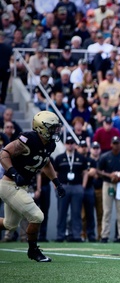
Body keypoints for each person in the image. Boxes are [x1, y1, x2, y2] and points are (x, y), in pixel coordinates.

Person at [0, 112, 65, 262]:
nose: (55, 131)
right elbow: (4, 153)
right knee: (37, 216)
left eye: (56, 128)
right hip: (9, 184)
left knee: (10, 224)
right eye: (52, 128)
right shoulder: (28, 139)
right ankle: (33, 251)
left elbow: (46, 162)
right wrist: (14, 172)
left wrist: (57, 183)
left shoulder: (50, 144)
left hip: (20, 186)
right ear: (41, 128)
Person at [97, 136, 120, 242]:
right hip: (108, 184)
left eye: (118, 143)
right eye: (114, 143)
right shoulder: (105, 156)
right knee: (107, 210)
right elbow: (98, 170)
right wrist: (109, 175)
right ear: (111, 144)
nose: (116, 146)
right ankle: (104, 235)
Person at [53, 135, 87, 242]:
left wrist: (83, 186)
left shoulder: (81, 157)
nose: (70, 145)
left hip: (77, 186)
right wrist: (56, 187)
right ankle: (60, 235)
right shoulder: (59, 158)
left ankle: (76, 235)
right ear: (65, 144)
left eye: (72, 143)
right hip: (63, 186)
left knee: (76, 213)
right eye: (68, 143)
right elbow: (54, 174)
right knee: (62, 212)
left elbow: (85, 173)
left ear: (75, 145)